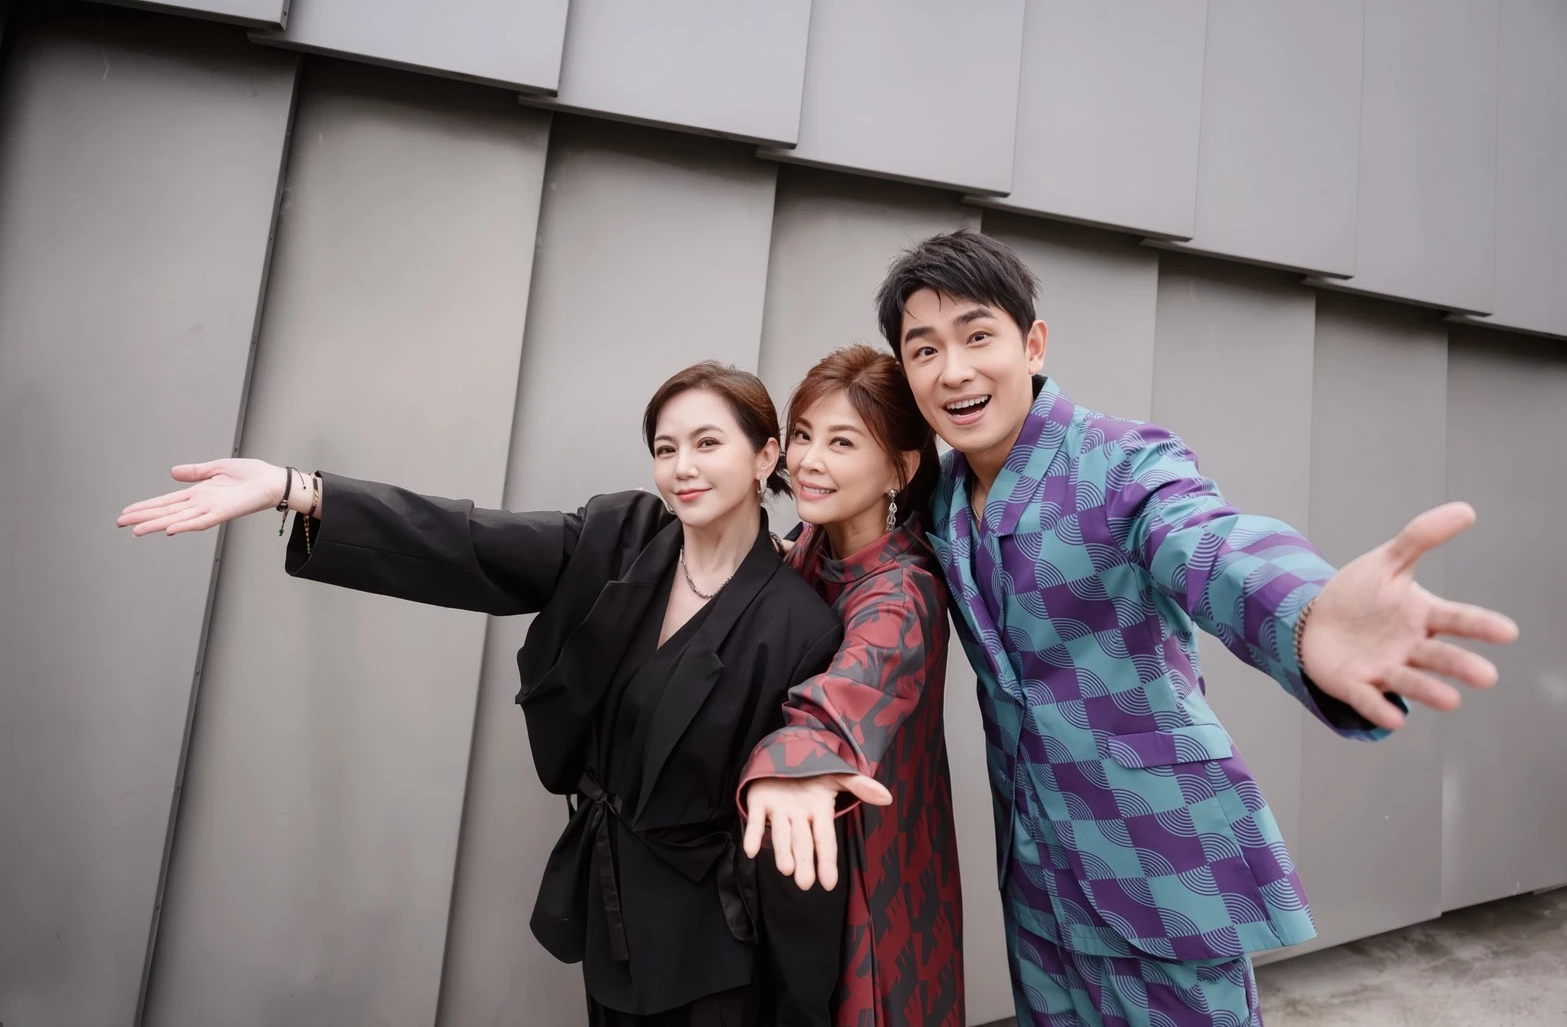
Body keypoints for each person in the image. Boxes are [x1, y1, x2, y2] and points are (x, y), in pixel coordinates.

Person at [770, 230, 1522, 1027]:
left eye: (977, 335)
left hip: (1165, 862)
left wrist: (1306, 613)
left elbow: (1206, 542)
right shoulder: (942, 492)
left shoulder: (1120, 461)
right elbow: (863, 531)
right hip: (1037, 879)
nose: (953, 370)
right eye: (924, 350)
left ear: (1032, 344)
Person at [118, 362, 850, 1027]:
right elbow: (467, 539)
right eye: (665, 448)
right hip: (611, 912)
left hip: (715, 951)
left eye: (706, 443)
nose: (682, 467)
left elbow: (798, 828)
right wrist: (295, 489)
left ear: (765, 457)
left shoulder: (798, 624)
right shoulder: (619, 538)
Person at [740, 345, 963, 1026]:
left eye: (841, 442)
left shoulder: (902, 592)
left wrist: (793, 763)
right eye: (803, 434)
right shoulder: (815, 540)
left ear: (900, 468)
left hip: (868, 851)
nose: (808, 460)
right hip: (812, 851)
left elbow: (851, 688)